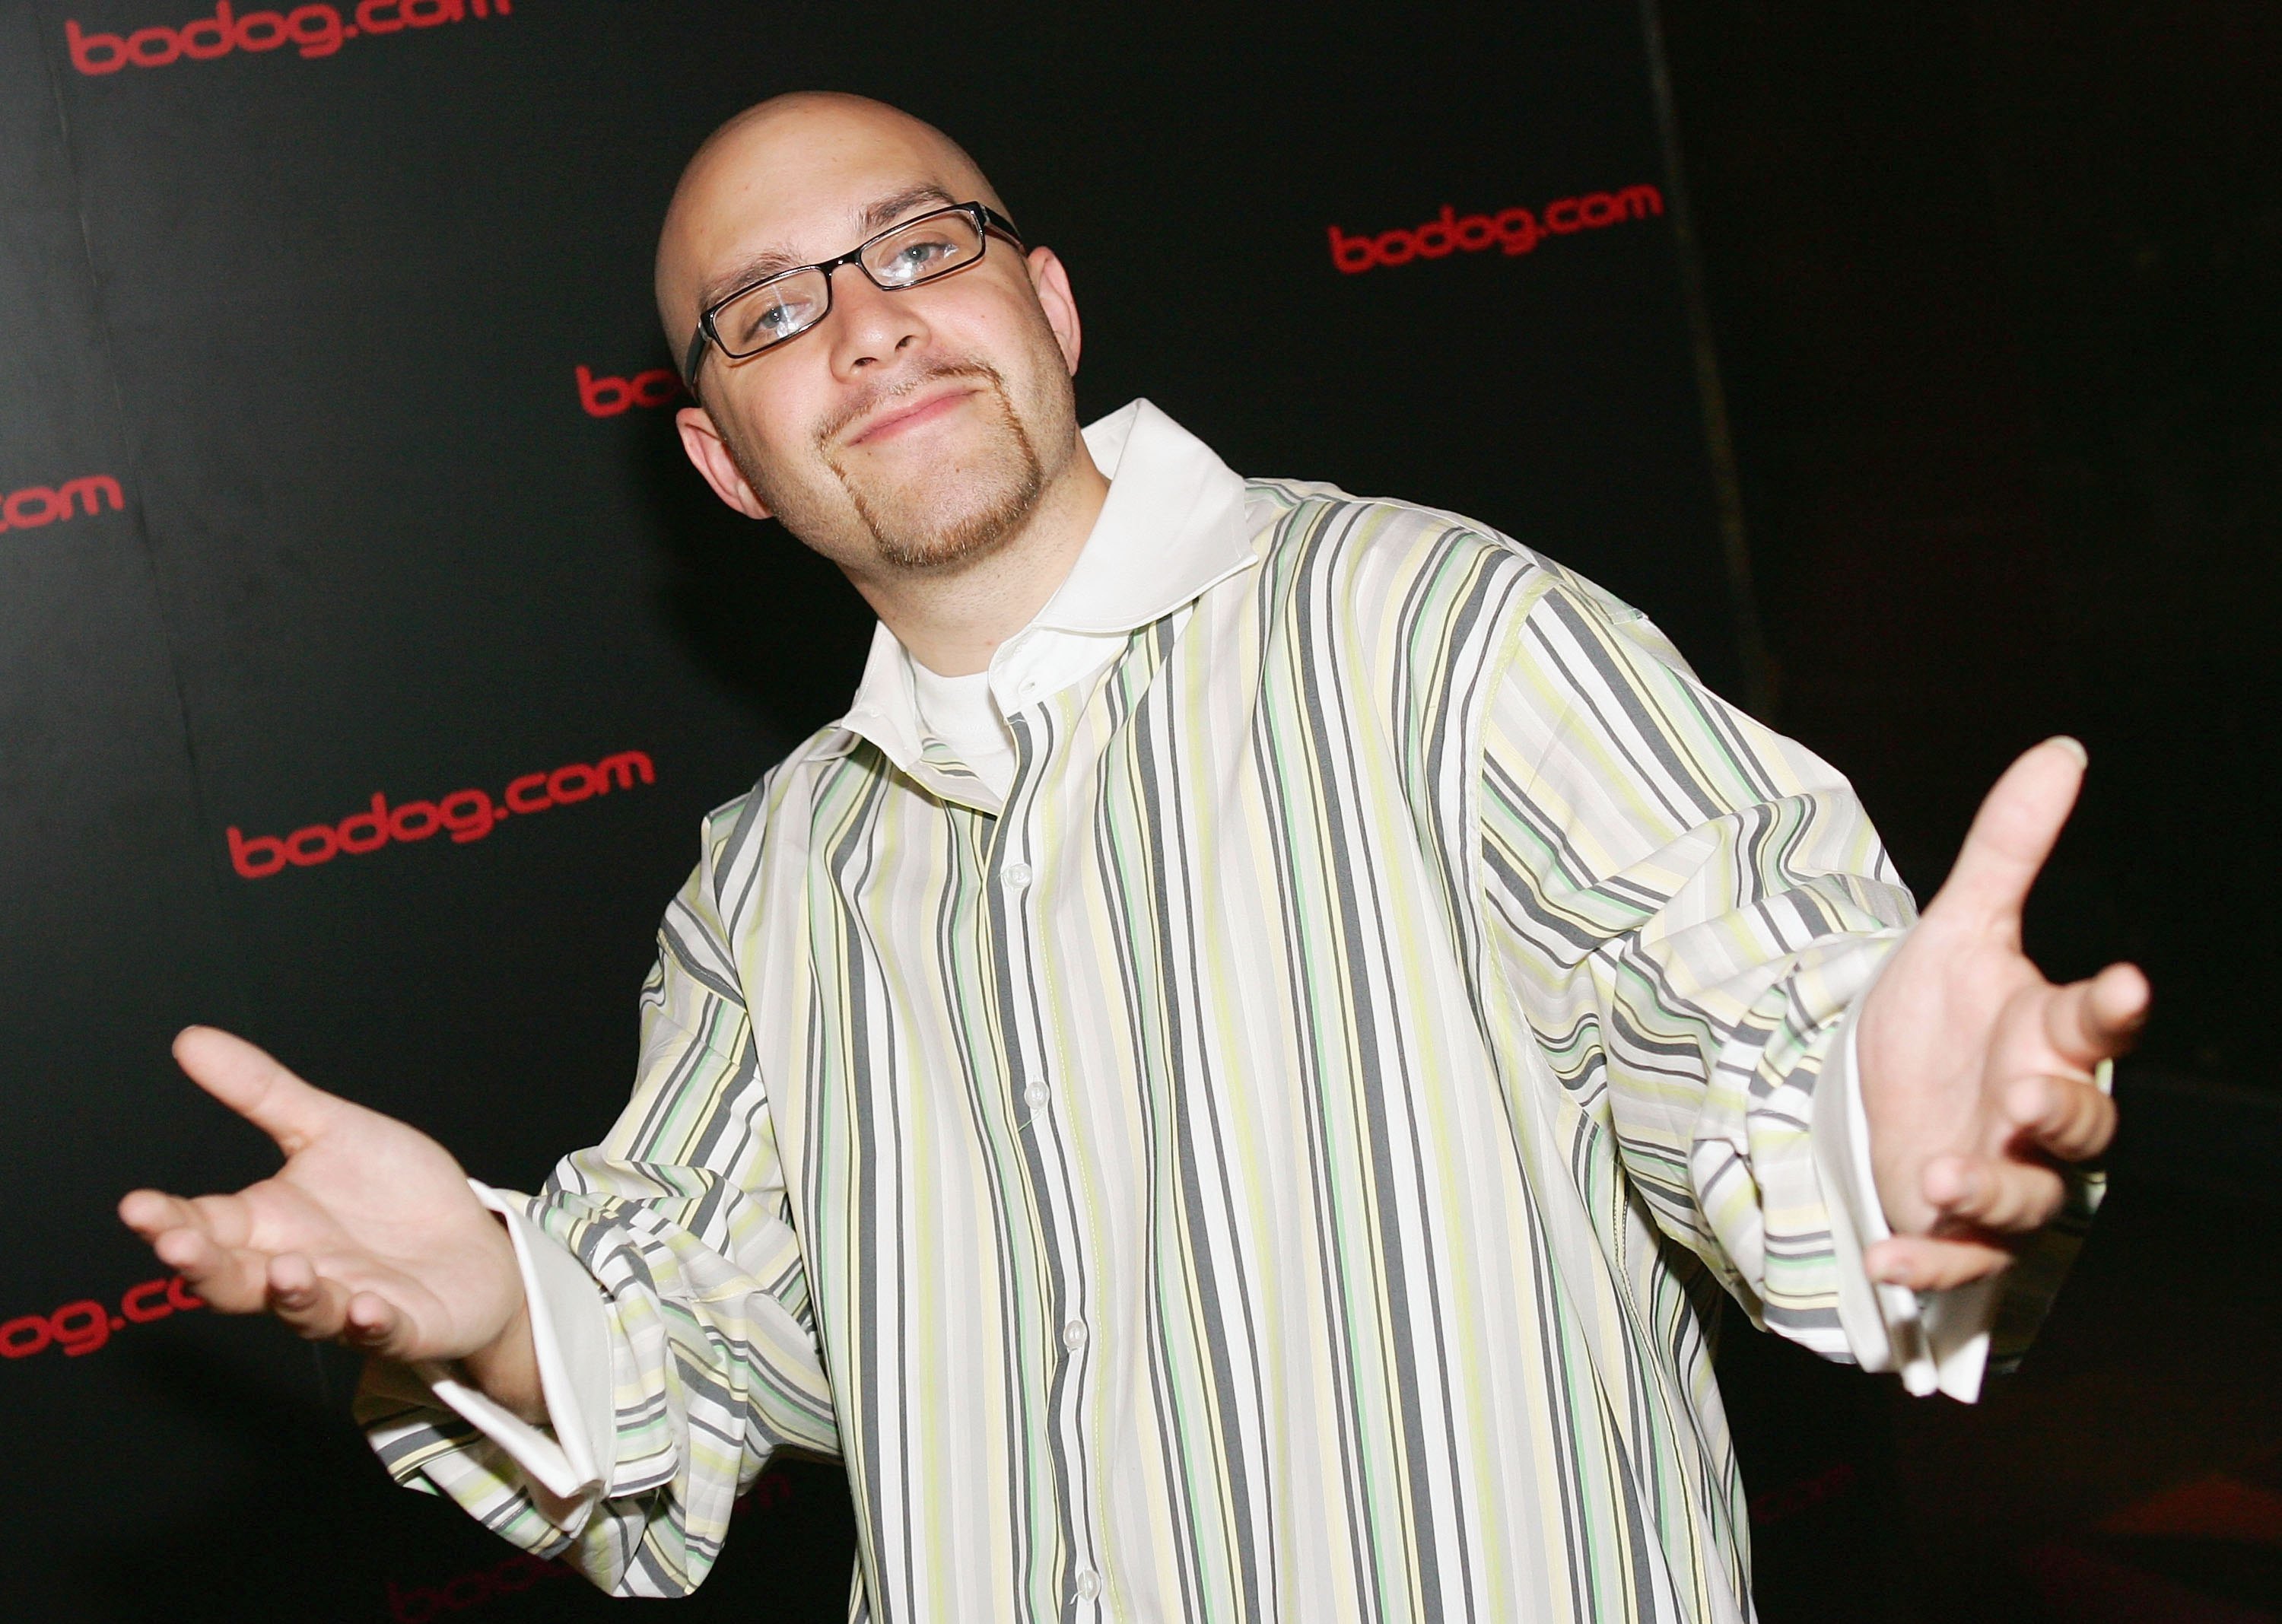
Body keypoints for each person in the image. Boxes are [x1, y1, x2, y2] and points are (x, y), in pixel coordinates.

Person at [119, 93, 2145, 1622]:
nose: (872, 329)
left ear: (1049, 303)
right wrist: (483, 1303)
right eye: (770, 309)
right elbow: (685, 1387)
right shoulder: (765, 898)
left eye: (921, 249)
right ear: (726, 461)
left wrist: (1892, 1120)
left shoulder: (1435, 636)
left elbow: (1764, 1062)